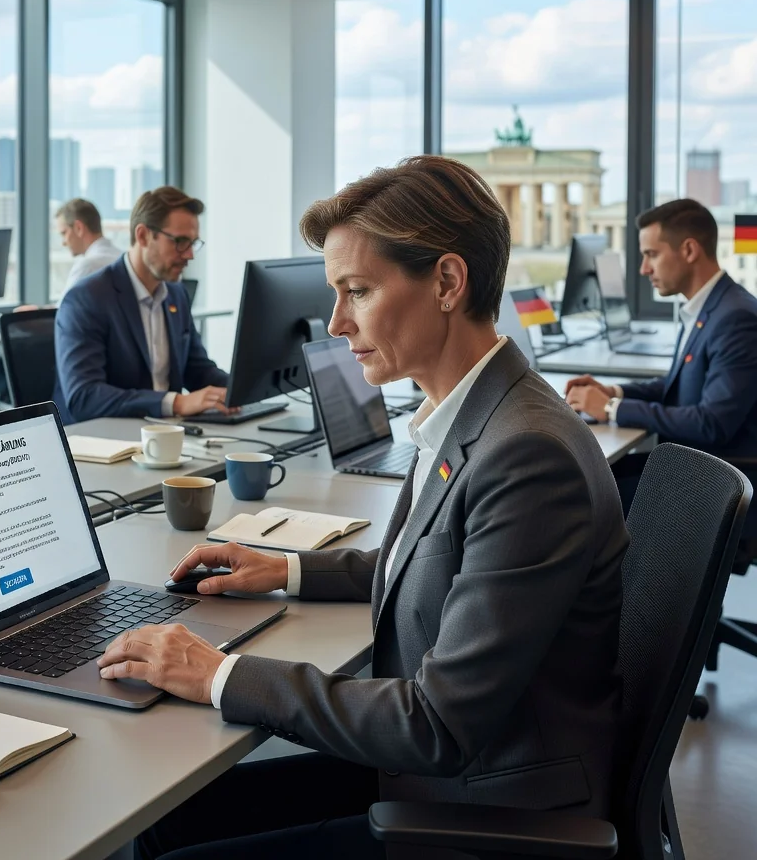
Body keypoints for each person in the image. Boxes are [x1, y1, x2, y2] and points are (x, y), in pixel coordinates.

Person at [95, 157, 629, 860]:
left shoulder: (527, 455)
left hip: (484, 810)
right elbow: (443, 561)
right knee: (167, 820)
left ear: (446, 282)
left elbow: (434, 724)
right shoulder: (478, 413)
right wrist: (286, 569)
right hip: (452, 776)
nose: (338, 323)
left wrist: (217, 673)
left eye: (359, 291)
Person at [566, 198, 757, 513]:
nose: (643, 269)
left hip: (721, 482)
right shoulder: (709, 307)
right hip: (701, 466)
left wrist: (612, 408)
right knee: (591, 475)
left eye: (651, 255)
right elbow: (680, 385)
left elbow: (711, 423)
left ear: (689, 250)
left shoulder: (736, 318)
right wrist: (614, 392)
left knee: (582, 490)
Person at [54, 186, 229, 423]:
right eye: (180, 242)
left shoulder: (175, 294)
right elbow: (84, 397)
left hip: (164, 436)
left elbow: (197, 370)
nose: (189, 255)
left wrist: (243, 389)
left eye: (193, 243)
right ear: (143, 236)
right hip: (105, 442)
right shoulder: (87, 299)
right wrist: (176, 403)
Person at [0, 198, 121, 416]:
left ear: (79, 228)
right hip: (102, 364)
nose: (63, 242)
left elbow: (66, 320)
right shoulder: (119, 258)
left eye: (63, 233)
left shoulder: (89, 265)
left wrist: (34, 317)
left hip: (63, 370)